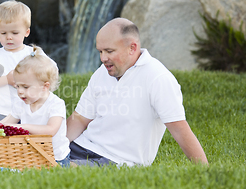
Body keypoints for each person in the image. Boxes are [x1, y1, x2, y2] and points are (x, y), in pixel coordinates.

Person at [66, 18, 208, 166]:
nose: (103, 58)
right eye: (100, 51)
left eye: (109, 51)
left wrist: (205, 171)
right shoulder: (103, 72)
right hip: (81, 146)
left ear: (132, 48)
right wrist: (54, 145)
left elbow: (179, 129)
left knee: (60, 169)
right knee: (44, 160)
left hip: (116, 160)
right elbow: (81, 118)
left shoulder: (158, 78)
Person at [0, 45, 71, 167]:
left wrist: (22, 127)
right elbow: (6, 123)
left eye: (25, 87)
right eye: (17, 86)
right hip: (32, 154)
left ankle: (71, 164)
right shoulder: (21, 103)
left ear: (45, 86)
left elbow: (50, 130)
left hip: (55, 157)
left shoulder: (56, 104)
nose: (20, 91)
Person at [0, 0, 55, 121]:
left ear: (27, 32)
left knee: (29, 136)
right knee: (5, 137)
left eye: (15, 33)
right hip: (5, 110)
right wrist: (7, 79)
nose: (9, 37)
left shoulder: (33, 53)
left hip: (31, 108)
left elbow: (52, 69)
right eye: (3, 33)